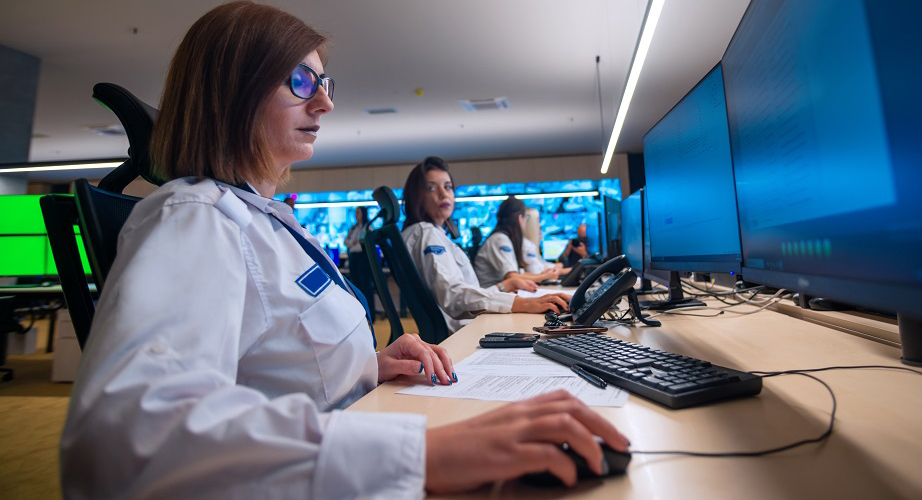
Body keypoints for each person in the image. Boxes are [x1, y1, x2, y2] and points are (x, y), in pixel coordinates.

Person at [59, 3, 627, 498]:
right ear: (233, 89)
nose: (325, 103)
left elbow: (270, 361)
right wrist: (423, 455)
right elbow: (124, 439)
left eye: (327, 84)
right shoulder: (197, 219)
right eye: (301, 82)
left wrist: (364, 366)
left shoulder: (264, 219)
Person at [401, 157, 574, 334]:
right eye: (431, 188)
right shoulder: (426, 234)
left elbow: (463, 293)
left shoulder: (430, 234)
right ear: (416, 195)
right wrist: (522, 302)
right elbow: (454, 297)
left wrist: (504, 287)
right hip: (464, 332)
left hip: (470, 324)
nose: (443, 194)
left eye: (447, 187)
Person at [473, 195, 561, 288]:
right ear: (520, 218)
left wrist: (541, 275)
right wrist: (544, 277)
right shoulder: (499, 239)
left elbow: (517, 273)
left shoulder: (503, 238)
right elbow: (512, 276)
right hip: (491, 295)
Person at [344, 206, 376, 314]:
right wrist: (353, 243)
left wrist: (353, 243)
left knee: (365, 285)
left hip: (363, 258)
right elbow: (347, 242)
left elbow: (363, 243)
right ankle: (359, 312)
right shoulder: (353, 228)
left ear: (363, 214)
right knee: (355, 284)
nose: (356, 215)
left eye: (358, 212)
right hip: (353, 257)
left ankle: (370, 312)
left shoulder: (368, 227)